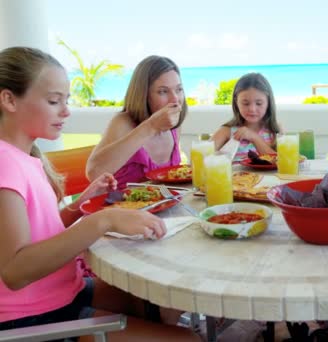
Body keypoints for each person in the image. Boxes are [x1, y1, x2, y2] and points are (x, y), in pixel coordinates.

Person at [0, 47, 198, 340]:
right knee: (187, 339)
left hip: (65, 290)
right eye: (54, 101)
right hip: (34, 318)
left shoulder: (24, 156)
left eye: (65, 101)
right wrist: (103, 220)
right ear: (8, 99)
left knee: (161, 300)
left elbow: (36, 233)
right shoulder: (5, 163)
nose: (66, 111)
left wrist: (79, 206)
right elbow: (16, 271)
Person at [86, 55, 187, 188]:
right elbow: (93, 173)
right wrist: (152, 126)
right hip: (121, 207)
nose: (175, 99)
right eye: (163, 91)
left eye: (179, 89)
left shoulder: (173, 128)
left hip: (165, 207)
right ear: (144, 95)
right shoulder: (123, 123)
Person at [211, 72, 281, 160]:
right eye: (246, 103)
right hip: (235, 174)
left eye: (259, 103)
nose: (252, 109)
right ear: (236, 102)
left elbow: (280, 161)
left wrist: (254, 137)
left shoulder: (273, 131)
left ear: (268, 103)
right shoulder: (227, 131)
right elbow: (201, 157)